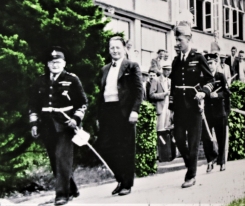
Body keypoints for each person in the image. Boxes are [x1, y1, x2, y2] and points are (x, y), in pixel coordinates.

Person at [29, 47, 88, 205]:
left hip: (66, 125)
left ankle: (62, 194)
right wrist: (34, 124)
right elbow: (33, 105)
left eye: (58, 62)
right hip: (47, 126)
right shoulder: (40, 81)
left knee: (62, 158)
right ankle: (72, 188)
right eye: (52, 62)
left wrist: (76, 119)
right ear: (48, 64)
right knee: (55, 161)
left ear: (64, 63)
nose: (55, 65)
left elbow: (82, 103)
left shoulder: (72, 79)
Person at [169, 21, 213, 188]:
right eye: (176, 40)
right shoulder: (175, 61)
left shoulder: (198, 58)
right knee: (179, 139)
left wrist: (204, 92)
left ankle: (191, 176)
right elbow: (173, 86)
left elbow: (211, 79)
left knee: (193, 142)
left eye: (179, 40)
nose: (177, 43)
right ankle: (190, 164)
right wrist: (172, 109)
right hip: (180, 108)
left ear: (188, 39)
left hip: (194, 106)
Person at [96, 36, 143, 196]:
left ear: (124, 49)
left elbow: (138, 91)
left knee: (126, 148)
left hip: (125, 112)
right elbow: (100, 94)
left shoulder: (131, 66)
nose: (115, 51)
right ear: (109, 50)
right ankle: (120, 178)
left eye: (118, 47)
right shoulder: (104, 69)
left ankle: (126, 184)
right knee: (104, 147)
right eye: (112, 48)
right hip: (108, 111)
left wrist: (135, 111)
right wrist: (98, 116)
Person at [202, 53, 230, 173]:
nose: (210, 66)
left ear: (216, 63)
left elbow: (227, 92)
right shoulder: (203, 78)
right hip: (207, 113)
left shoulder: (221, 76)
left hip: (219, 112)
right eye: (207, 63)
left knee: (221, 138)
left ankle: (222, 162)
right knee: (206, 138)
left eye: (212, 63)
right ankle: (209, 161)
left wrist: (217, 95)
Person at [149, 64, 172, 132]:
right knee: (159, 129)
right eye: (167, 70)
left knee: (166, 129)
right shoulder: (156, 80)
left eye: (170, 70)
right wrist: (164, 94)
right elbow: (151, 95)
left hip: (168, 108)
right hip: (160, 108)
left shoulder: (169, 81)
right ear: (163, 70)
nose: (169, 72)